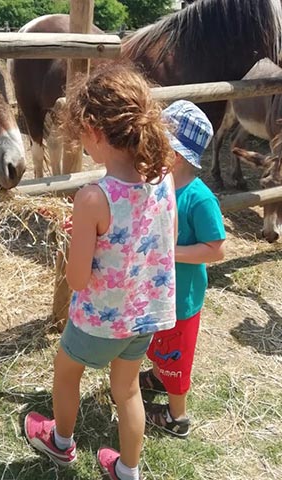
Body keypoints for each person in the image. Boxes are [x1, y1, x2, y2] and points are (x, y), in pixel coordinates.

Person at [24, 61, 178, 480]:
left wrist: (77, 236)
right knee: (126, 389)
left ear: (93, 129)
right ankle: (128, 470)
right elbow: (165, 239)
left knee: (66, 372)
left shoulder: (94, 197)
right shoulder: (163, 178)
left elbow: (77, 279)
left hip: (99, 320)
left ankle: (60, 443)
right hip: (146, 316)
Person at [140, 100, 226, 437]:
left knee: (176, 358)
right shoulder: (160, 186)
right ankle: (159, 374)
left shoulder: (199, 198)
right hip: (159, 292)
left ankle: (178, 417)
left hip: (182, 300)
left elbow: (216, 250)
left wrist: (168, 253)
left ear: (174, 155)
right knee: (158, 343)